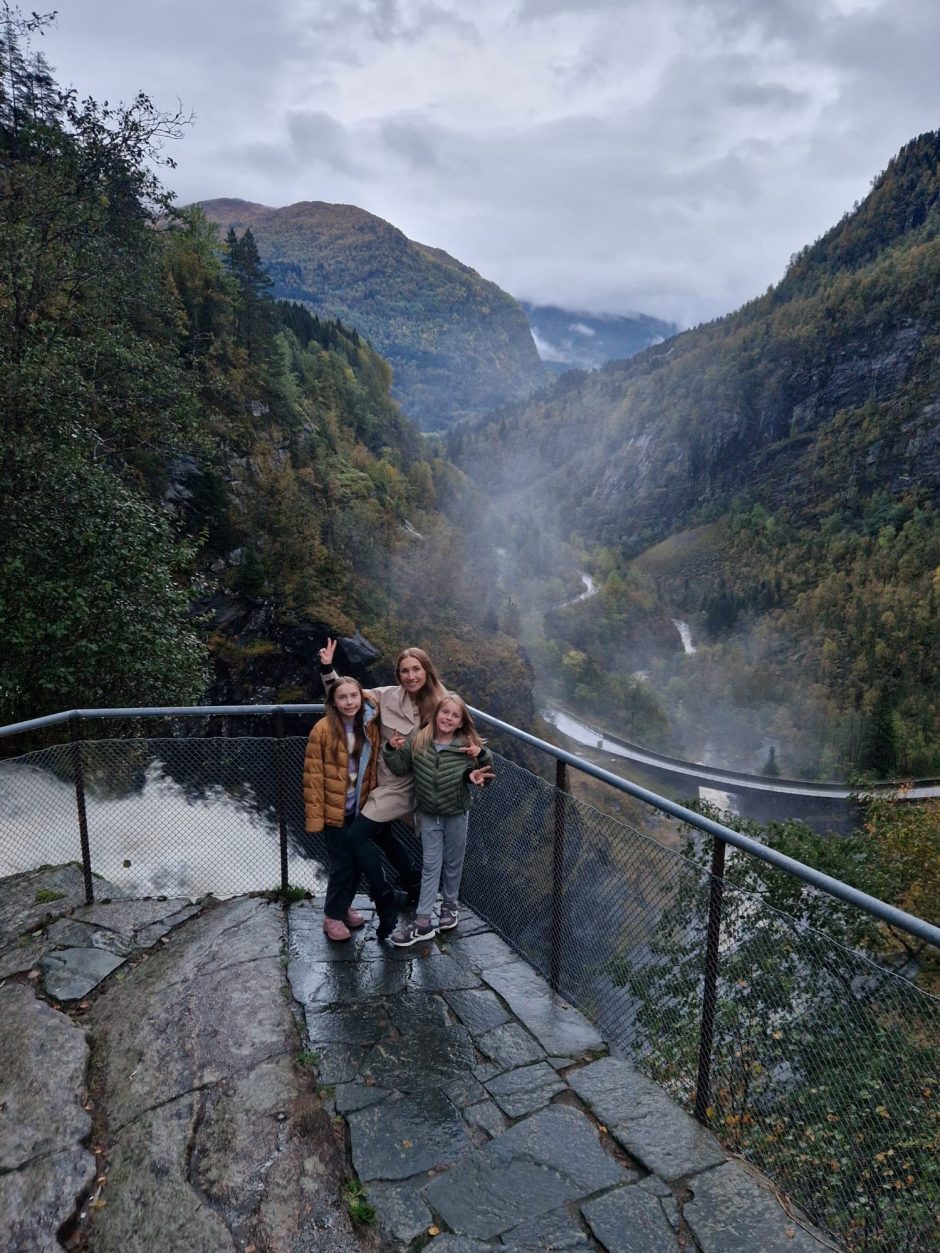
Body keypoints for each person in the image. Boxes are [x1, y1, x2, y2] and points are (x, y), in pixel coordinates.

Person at [319, 637, 447, 907]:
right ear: (398, 674)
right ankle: (411, 881)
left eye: (416, 669)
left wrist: (476, 762)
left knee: (357, 835)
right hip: (380, 781)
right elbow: (346, 695)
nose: (411, 676)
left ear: (427, 671)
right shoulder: (385, 696)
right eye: (405, 671)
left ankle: (383, 892)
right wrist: (328, 670)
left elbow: (462, 738)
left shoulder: (440, 704)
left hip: (409, 787)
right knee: (381, 835)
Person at [382, 692, 494, 946]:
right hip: (429, 814)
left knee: (453, 861)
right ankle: (423, 921)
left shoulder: (466, 746)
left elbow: (482, 772)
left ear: (461, 722)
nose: (448, 718)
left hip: (456, 812)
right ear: (436, 714)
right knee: (432, 865)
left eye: (455, 715)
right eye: (445, 712)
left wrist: (481, 758)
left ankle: (450, 905)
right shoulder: (419, 740)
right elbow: (400, 767)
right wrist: (390, 749)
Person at [302, 675, 403, 942]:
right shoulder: (322, 730)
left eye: (354, 696)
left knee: (356, 863)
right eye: (342, 697)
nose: (349, 702)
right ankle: (331, 917)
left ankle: (343, 907)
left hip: (358, 810)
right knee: (342, 865)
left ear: (362, 698)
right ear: (333, 702)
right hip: (333, 812)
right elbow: (313, 777)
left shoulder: (367, 726)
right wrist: (316, 818)